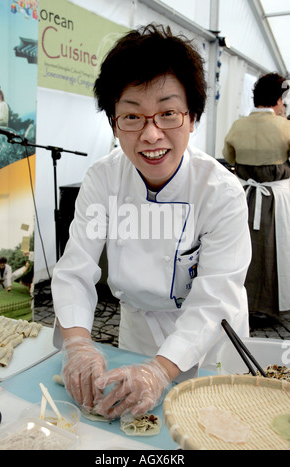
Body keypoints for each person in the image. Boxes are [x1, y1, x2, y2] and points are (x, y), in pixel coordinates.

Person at [52, 24, 251, 419]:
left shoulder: (220, 192)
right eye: (132, 117)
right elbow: (75, 269)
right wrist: (77, 344)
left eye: (167, 113)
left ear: (192, 117)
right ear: (113, 123)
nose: (151, 134)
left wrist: (161, 370)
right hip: (137, 329)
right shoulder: (103, 178)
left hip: (207, 340)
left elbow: (215, 297)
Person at [222, 73, 290, 323]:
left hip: (245, 196)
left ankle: (243, 301)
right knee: (274, 249)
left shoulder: (238, 126)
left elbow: (229, 156)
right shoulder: (285, 126)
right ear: (278, 99)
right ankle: (270, 306)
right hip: (277, 200)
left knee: (243, 247)